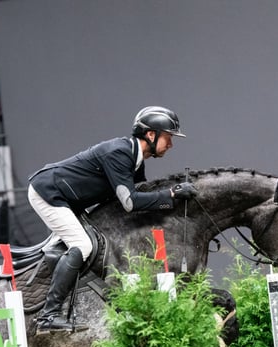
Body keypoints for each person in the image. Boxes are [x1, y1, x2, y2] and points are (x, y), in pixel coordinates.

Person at [28, 105, 195, 334]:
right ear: (151, 134)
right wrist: (171, 194)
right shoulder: (120, 153)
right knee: (82, 245)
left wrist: (171, 199)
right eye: (169, 137)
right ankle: (49, 315)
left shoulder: (135, 160)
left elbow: (141, 196)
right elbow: (131, 203)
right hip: (49, 192)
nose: (171, 144)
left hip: (69, 199)